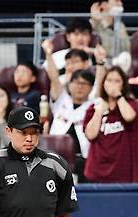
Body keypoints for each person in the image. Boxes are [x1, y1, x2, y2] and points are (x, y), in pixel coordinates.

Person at [44, 38, 106, 181]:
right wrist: (48, 54)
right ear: (69, 84)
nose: (79, 87)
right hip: (53, 155)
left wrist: (100, 62)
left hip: (83, 160)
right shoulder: (61, 99)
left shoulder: (93, 104)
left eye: (84, 84)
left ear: (91, 88)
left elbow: (100, 82)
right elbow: (54, 78)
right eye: (76, 83)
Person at [84, 66, 138, 183]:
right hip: (97, 170)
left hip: (122, 171)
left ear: (123, 85)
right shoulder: (94, 107)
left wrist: (119, 97)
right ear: (103, 83)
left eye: (117, 81)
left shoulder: (130, 104)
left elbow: (129, 117)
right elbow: (90, 135)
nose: (113, 84)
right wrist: (99, 111)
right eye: (109, 80)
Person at [90, 0, 131, 66]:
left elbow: (126, 50)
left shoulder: (120, 25)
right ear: (104, 4)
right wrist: (97, 21)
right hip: (100, 65)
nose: (120, 3)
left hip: (118, 65)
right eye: (116, 1)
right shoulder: (93, 25)